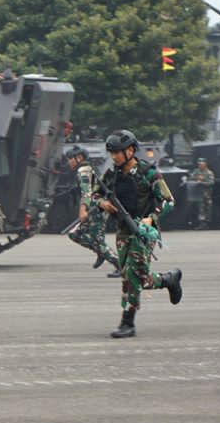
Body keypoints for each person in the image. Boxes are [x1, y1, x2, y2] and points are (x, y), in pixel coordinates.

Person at [95, 130, 184, 338]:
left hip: (144, 232)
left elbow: (168, 200)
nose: (114, 157)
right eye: (112, 153)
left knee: (132, 276)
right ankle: (168, 280)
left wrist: (152, 217)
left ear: (131, 151)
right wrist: (102, 203)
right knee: (137, 278)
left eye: (118, 152)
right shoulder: (111, 175)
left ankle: (128, 322)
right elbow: (94, 194)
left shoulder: (149, 173)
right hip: (122, 231)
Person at [61, 145, 120, 276]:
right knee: (79, 235)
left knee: (91, 238)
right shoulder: (87, 169)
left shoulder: (83, 170)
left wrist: (83, 210)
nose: (68, 162)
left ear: (79, 158)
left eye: (70, 158)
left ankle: (118, 263)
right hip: (95, 207)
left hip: (95, 209)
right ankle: (102, 253)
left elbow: (87, 192)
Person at [187, 157, 216, 229]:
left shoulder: (209, 173)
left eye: (202, 164)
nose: (200, 165)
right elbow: (190, 178)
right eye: (199, 164)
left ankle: (206, 224)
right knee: (200, 209)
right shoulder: (196, 171)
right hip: (197, 194)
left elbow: (211, 182)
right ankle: (201, 223)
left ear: (205, 164)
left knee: (207, 209)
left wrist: (202, 183)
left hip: (206, 194)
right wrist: (196, 180)